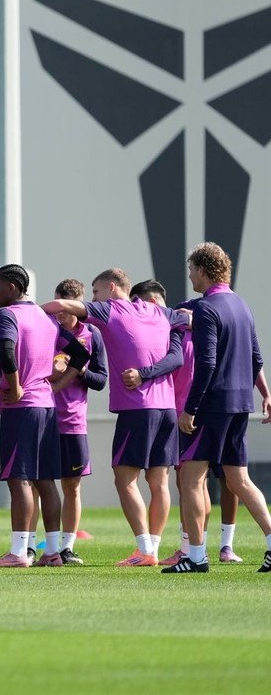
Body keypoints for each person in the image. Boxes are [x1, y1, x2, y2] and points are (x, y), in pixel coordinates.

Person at [43, 268, 187, 566]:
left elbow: (60, 306)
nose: (93, 299)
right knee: (159, 481)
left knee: (125, 479)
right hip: (167, 409)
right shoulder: (159, 311)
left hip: (138, 408)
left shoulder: (111, 309)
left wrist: (28, 314)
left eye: (95, 292)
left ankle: (144, 550)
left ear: (111, 288)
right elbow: (189, 318)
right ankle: (154, 548)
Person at [167, 243, 271, 573]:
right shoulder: (241, 305)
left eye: (191, 269)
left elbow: (207, 363)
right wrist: (266, 393)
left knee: (191, 480)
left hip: (212, 405)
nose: (189, 275)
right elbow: (256, 357)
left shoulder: (208, 309)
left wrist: (190, 409)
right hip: (241, 403)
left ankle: (195, 556)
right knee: (239, 480)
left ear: (202, 270)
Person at [132, 279, 244, 566]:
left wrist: (143, 374)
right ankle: (198, 546)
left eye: (139, 304)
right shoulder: (197, 319)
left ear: (153, 303)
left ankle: (190, 549)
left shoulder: (175, 326)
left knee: (190, 482)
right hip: (209, 407)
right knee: (200, 483)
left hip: (185, 412)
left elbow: (176, 362)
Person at [0, 264, 89, 569]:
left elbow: (6, 350)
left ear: (13, 288)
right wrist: (57, 384)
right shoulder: (46, 318)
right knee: (46, 480)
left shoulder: (8, 315)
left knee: (20, 480)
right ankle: (53, 551)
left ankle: (18, 553)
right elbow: (80, 355)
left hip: (23, 407)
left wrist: (15, 386)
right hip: (46, 406)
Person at [47, 278, 107, 565]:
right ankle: (38, 546)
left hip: (72, 422)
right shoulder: (47, 330)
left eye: (65, 309)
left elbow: (101, 380)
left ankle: (67, 547)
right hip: (43, 417)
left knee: (71, 487)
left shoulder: (92, 334)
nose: (59, 314)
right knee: (38, 484)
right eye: (57, 306)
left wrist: (79, 371)